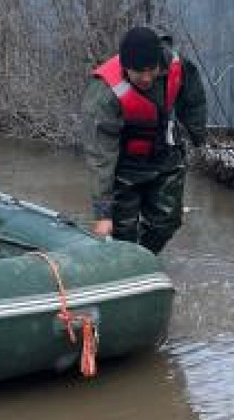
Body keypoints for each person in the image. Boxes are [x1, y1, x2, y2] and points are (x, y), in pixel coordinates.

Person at [82, 25, 208, 254]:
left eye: (152, 69)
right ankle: (127, 263)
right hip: (124, 165)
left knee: (167, 221)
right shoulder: (103, 93)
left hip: (165, 154)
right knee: (123, 232)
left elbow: (194, 101)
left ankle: (144, 259)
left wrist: (197, 137)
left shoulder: (177, 66)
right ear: (126, 67)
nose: (147, 78)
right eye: (139, 72)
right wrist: (102, 215)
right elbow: (100, 157)